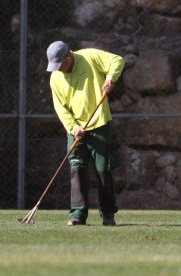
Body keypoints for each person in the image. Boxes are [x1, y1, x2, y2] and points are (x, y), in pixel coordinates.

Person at [46, 41, 125, 226]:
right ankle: (77, 215)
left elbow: (117, 60)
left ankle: (107, 214)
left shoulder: (89, 56)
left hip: (99, 124)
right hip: (75, 130)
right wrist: (73, 127)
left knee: (103, 171)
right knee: (77, 169)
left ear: (68, 56)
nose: (58, 69)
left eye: (60, 64)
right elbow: (61, 109)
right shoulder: (55, 78)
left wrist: (110, 79)